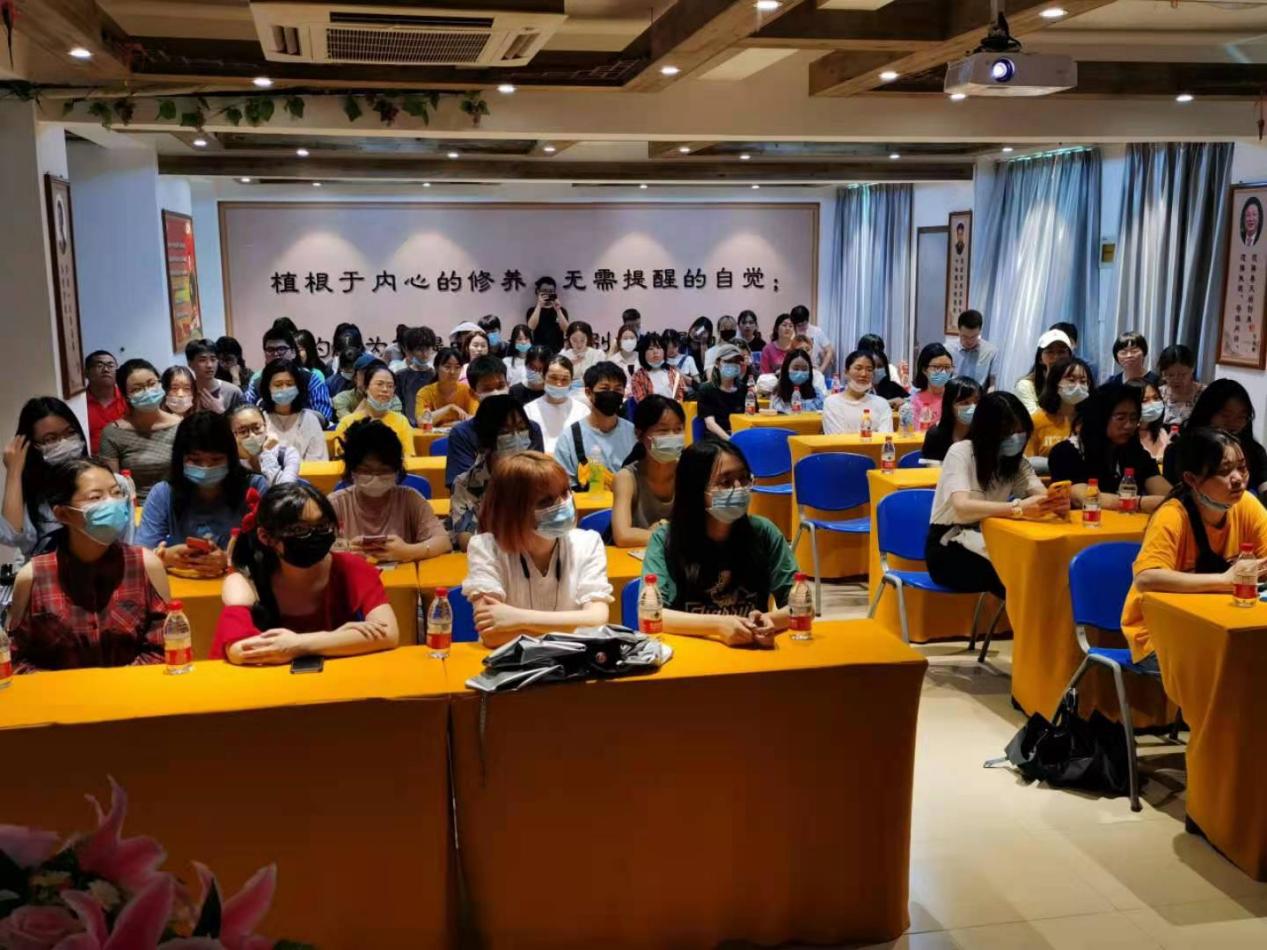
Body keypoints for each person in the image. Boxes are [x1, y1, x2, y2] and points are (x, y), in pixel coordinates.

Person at [1121, 427, 1267, 671]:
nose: (1238, 479)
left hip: (1219, 625)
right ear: (1191, 479)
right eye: (1223, 471)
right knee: (1237, 670)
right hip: (1161, 636)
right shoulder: (1172, 516)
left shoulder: (1246, 505)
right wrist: (1224, 580)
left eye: (1242, 468)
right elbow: (1146, 578)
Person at [7, 459, 169, 671]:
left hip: (134, 689)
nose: (112, 503)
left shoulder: (146, 565)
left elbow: (164, 648)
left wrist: (115, 685)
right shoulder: (33, 577)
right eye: (96, 497)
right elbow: (17, 659)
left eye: (116, 493)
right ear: (63, 514)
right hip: (58, 691)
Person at [213, 482, 399, 665]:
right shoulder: (246, 579)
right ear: (266, 537)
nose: (314, 535)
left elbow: (388, 633)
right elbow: (239, 651)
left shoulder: (351, 567)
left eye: (322, 526)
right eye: (298, 529)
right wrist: (340, 638)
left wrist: (298, 645)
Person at [643, 439, 797, 646]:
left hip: (752, 653)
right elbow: (651, 614)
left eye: (744, 478)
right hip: (691, 652)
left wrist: (772, 620)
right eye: (725, 482)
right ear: (696, 490)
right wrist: (717, 625)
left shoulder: (764, 533)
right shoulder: (666, 539)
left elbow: (801, 604)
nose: (739, 488)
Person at [462, 451, 612, 647]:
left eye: (565, 492)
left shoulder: (588, 543)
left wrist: (517, 618)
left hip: (572, 660)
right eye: (546, 501)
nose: (563, 504)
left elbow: (597, 620)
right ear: (514, 511)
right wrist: (575, 625)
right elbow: (493, 635)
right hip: (510, 662)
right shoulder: (485, 548)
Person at [926, 393, 1065, 599]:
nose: (1016, 438)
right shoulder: (961, 453)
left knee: (1042, 568)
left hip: (992, 539)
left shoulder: (1016, 462)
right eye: (1008, 432)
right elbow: (962, 507)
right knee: (1019, 575)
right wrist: (1018, 508)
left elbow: (1040, 494)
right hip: (949, 547)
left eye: (1021, 431)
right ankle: (1029, 619)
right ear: (988, 431)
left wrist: (1054, 502)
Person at [136, 410, 268, 574]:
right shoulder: (163, 493)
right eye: (195, 460)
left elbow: (271, 552)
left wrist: (230, 560)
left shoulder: (254, 488)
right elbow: (139, 555)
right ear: (180, 459)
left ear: (231, 458)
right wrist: (164, 558)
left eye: (216, 459)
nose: (206, 467)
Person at [3, 398, 134, 557]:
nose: (64, 442)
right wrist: (14, 470)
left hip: (110, 568)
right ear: (34, 446)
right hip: (47, 570)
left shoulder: (115, 485)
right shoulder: (32, 497)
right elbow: (10, 536)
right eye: (50, 439)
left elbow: (127, 542)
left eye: (70, 433)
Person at [329, 419, 450, 563]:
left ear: (397, 470)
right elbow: (313, 548)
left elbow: (443, 541)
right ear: (351, 470)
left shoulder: (410, 499)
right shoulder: (335, 503)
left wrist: (408, 552)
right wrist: (341, 549)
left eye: (384, 471)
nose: (375, 477)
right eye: (365, 471)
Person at [1049, 382, 1171, 512]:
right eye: (1121, 418)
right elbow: (1082, 497)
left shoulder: (1135, 452)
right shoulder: (1067, 452)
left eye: (1134, 418)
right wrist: (1140, 503)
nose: (1129, 425)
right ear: (1100, 418)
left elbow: (1166, 492)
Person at [449, 396, 533, 552]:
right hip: (490, 560)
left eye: (522, 429)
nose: (516, 438)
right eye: (505, 432)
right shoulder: (466, 484)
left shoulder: (541, 478)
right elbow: (467, 540)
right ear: (487, 439)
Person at [445, 355, 544, 487]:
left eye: (500, 386)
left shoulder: (531, 428)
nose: (496, 392)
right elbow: (459, 485)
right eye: (487, 389)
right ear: (473, 393)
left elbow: (539, 475)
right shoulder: (462, 433)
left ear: (508, 385)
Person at [1163, 379, 1267, 496]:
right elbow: (1172, 495)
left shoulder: (1255, 451)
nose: (1233, 423)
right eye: (1225, 415)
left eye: (1241, 417)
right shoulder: (1178, 452)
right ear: (1207, 413)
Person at [98, 358, 182, 502]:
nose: (147, 392)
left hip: (177, 503)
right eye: (137, 389)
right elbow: (111, 487)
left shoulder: (180, 425)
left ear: (160, 383)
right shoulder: (112, 433)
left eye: (151, 383)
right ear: (126, 396)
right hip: (135, 507)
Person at [612, 396, 684, 548]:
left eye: (678, 429)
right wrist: (670, 535)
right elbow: (622, 536)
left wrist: (659, 533)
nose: (672, 436)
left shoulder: (690, 471)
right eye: (663, 430)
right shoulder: (626, 478)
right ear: (639, 434)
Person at [553, 361, 637, 488]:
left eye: (617, 389)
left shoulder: (634, 433)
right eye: (605, 389)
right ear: (588, 392)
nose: (611, 394)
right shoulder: (569, 437)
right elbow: (563, 485)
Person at [243, 326, 334, 423]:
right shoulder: (257, 382)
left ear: (293, 352)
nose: (276, 354)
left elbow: (324, 416)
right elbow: (244, 413)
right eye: (270, 350)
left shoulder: (310, 379)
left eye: (281, 349)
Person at [333, 361, 416, 460]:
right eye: (379, 384)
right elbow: (341, 458)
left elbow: (408, 457)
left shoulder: (401, 421)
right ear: (366, 388)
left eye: (390, 386)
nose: (385, 389)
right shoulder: (347, 422)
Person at [1026, 357, 1094, 458]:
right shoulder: (1036, 420)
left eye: (1083, 381)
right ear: (1055, 382)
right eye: (1071, 380)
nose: (1078, 386)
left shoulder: (1092, 420)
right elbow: (1027, 461)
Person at [524, 354, 589, 455]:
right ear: (543, 376)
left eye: (564, 379)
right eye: (553, 378)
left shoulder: (582, 411)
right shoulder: (529, 410)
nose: (559, 384)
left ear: (571, 381)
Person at [823, 350, 894, 435]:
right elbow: (836, 437)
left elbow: (886, 437)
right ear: (846, 372)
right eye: (858, 368)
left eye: (869, 370)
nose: (864, 374)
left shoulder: (882, 403)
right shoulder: (832, 402)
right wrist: (873, 434)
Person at [230, 403, 299, 486]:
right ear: (233, 435)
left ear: (265, 427)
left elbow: (284, 489)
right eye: (243, 431)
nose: (252, 435)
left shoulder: (288, 454)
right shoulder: (228, 462)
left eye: (256, 428)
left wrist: (265, 452)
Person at [412, 347, 479, 428]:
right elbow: (422, 423)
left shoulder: (468, 391)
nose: (452, 372)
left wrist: (447, 425)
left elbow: (475, 420)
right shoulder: (424, 393)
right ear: (436, 368)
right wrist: (449, 408)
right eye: (447, 367)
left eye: (457, 367)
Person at [921, 376, 982, 462]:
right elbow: (930, 466)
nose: (973, 407)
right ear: (949, 405)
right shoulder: (935, 435)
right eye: (965, 403)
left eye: (977, 402)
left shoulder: (984, 434)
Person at [1014, 328, 1074, 414]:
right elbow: (1034, 419)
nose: (1056, 357)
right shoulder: (1026, 386)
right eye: (1050, 352)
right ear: (1040, 359)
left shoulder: (1076, 383)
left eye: (1061, 352)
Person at [696, 344, 749, 439]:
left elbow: (750, 417)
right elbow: (710, 423)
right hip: (716, 439)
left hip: (741, 436)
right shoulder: (706, 390)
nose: (733, 365)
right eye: (728, 361)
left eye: (736, 361)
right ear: (717, 363)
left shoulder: (744, 390)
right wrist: (730, 440)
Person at [185, 338, 244, 414]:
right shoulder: (185, 392)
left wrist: (220, 411)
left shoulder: (233, 392)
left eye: (213, 359)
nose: (209, 365)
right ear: (190, 363)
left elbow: (244, 420)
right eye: (202, 360)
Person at [394, 327, 438, 424]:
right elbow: (397, 406)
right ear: (409, 351)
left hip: (432, 423)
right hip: (407, 425)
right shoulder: (400, 376)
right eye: (419, 350)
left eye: (428, 349)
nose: (425, 354)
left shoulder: (436, 375)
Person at [84, 350, 125, 453]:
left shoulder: (128, 398)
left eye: (110, 365)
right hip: (91, 460)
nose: (106, 369)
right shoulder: (80, 404)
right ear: (86, 373)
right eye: (99, 365)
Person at [945, 310, 997, 390]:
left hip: (979, 395)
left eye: (974, 337)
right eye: (964, 336)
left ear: (980, 331)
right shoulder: (947, 349)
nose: (969, 341)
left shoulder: (990, 351)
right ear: (959, 330)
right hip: (953, 394)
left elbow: (992, 384)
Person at [629, 332, 687, 403]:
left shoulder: (673, 372)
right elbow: (643, 403)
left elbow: (681, 396)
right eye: (650, 349)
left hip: (674, 408)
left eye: (659, 348)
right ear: (643, 353)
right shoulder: (638, 376)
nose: (655, 352)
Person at [858, 333, 910, 407]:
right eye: (871, 367)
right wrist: (888, 403)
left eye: (880, 366)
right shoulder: (856, 386)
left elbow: (910, 401)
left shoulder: (891, 386)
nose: (876, 370)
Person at [911, 343, 954, 429]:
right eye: (937, 367)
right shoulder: (915, 400)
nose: (943, 372)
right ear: (924, 370)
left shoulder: (955, 397)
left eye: (947, 367)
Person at [1157, 344, 1203, 426]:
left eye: (1182, 374)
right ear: (1163, 373)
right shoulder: (1156, 395)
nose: (1176, 379)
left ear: (1192, 369)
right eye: (1170, 375)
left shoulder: (1205, 394)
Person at [769, 348, 825, 414]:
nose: (800, 372)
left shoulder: (817, 395)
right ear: (787, 369)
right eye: (795, 368)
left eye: (804, 369)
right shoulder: (778, 395)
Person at [791, 304, 835, 376]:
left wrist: (821, 369)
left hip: (814, 370)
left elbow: (829, 351)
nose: (802, 327)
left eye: (804, 324)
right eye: (799, 325)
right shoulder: (791, 333)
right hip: (796, 370)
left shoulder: (816, 331)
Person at [527, 275, 569, 352]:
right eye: (544, 291)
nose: (548, 294)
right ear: (538, 291)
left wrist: (558, 310)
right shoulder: (532, 310)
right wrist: (539, 305)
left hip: (557, 351)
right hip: (538, 352)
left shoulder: (561, 310)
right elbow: (531, 327)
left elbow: (566, 329)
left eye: (551, 291)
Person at [1133, 379, 1169, 463]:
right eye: (1145, 400)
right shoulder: (1125, 437)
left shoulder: (1162, 434)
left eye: (1156, 398)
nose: (1152, 404)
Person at [686, 317, 715, 382]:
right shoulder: (682, 342)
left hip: (701, 381)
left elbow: (706, 367)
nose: (697, 334)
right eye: (696, 329)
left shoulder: (711, 348)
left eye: (702, 332)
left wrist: (703, 343)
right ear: (691, 327)